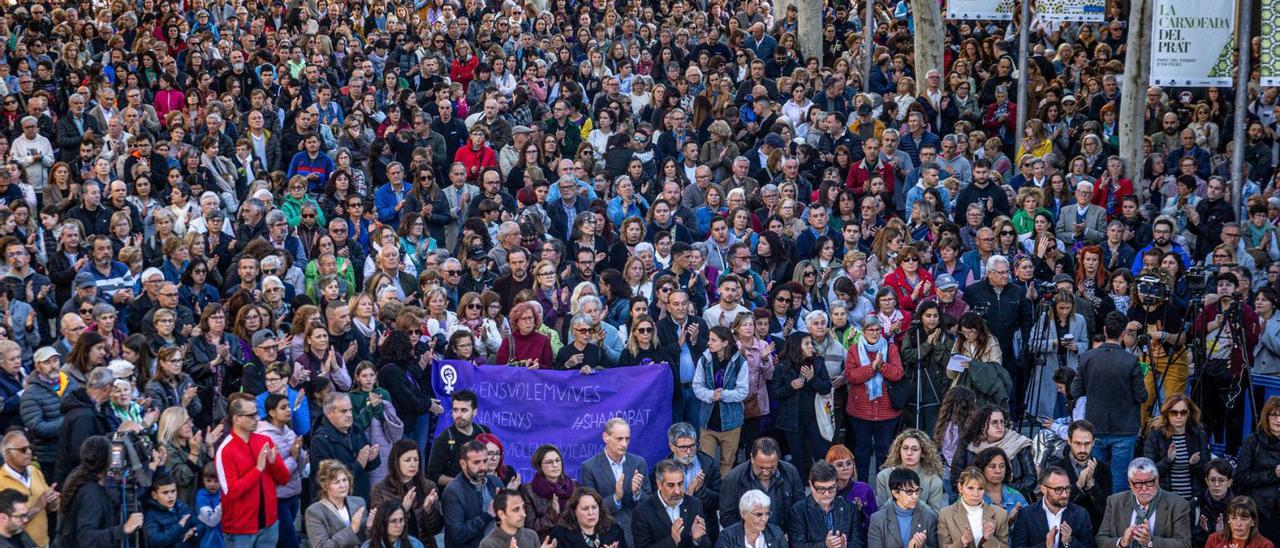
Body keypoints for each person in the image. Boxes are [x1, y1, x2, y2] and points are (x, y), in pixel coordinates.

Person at [214, 396, 291, 548]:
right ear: (236, 419)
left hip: (269, 524)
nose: (257, 418)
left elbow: (284, 479)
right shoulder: (226, 450)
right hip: (240, 529)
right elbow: (231, 492)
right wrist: (257, 470)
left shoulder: (265, 441)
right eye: (251, 415)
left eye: (256, 414)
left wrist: (274, 463)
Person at [54, 436, 145, 548]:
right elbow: (86, 538)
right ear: (108, 460)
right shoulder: (91, 494)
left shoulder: (79, 475)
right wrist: (124, 529)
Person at [845, 316, 904, 481]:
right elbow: (851, 376)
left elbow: (898, 373)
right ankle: (862, 487)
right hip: (860, 411)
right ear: (863, 332)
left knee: (884, 451)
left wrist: (882, 365)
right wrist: (872, 367)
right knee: (861, 450)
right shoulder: (854, 350)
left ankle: (883, 486)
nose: (874, 333)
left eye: (878, 329)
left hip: (886, 412)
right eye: (870, 330)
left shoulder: (890, 349)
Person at [579, 418, 649, 547]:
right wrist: (616, 498)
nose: (624, 444)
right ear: (606, 437)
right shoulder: (589, 467)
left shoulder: (639, 463)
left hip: (637, 533)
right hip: (607, 534)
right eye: (619, 439)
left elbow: (649, 504)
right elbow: (591, 508)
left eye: (627, 439)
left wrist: (637, 494)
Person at [691, 325, 749, 478]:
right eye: (709, 339)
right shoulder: (704, 360)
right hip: (708, 421)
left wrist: (723, 394)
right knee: (705, 462)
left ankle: (723, 495)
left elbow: (743, 391)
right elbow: (697, 386)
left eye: (713, 340)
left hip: (731, 422)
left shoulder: (740, 362)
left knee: (727, 462)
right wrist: (710, 395)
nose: (708, 343)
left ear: (724, 343)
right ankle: (706, 494)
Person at [1096, 458, 1191, 548]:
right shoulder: (1114, 502)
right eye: (1138, 483)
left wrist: (1151, 542)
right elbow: (1101, 540)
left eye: (1149, 482)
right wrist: (1122, 542)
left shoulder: (1179, 505)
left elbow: (1184, 544)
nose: (1144, 488)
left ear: (1157, 480)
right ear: (1130, 483)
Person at [719, 437, 805, 531]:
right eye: (761, 468)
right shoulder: (733, 479)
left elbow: (799, 509)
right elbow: (727, 517)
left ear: (778, 460)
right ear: (752, 458)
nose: (766, 473)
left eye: (772, 467)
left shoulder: (790, 472)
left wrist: (789, 535)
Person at [255, 392, 307, 548]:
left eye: (289, 406)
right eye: (283, 407)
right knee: (290, 542)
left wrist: (301, 455)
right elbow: (275, 471)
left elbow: (299, 462)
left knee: (282, 541)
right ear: (272, 412)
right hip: (278, 498)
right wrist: (294, 456)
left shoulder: (289, 431)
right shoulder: (265, 436)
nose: (289, 410)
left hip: (294, 493)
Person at [950, 406, 1036, 499]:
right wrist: (978, 490)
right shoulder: (968, 444)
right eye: (994, 423)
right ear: (982, 425)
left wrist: (1001, 490)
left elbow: (1031, 480)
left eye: (1002, 422)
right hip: (976, 499)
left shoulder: (1018, 443)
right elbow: (956, 479)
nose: (1000, 426)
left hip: (1014, 499)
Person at [369, 440, 443, 547]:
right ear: (396, 462)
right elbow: (379, 528)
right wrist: (403, 509)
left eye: (416, 460)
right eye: (407, 460)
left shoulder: (428, 486)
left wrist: (428, 510)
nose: (413, 464)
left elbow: (436, 529)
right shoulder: (380, 489)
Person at [1138, 394, 1209, 501]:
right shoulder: (1156, 436)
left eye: (1183, 412)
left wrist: (1196, 464)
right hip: (1165, 500)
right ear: (1167, 414)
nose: (1179, 416)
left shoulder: (1199, 435)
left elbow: (1207, 474)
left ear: (1189, 414)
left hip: (1192, 500)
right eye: (1174, 412)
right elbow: (1148, 474)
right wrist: (1168, 460)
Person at [54, 366, 117, 484]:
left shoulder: (95, 409)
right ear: (107, 388)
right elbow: (82, 454)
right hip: (78, 481)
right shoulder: (84, 417)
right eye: (114, 387)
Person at [1009, 466, 1097, 548]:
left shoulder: (1080, 514)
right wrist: (1046, 546)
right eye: (1058, 489)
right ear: (1043, 489)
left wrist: (1070, 541)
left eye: (1067, 488)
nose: (1065, 494)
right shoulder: (1026, 515)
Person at [632, 459, 712, 548]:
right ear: (659, 484)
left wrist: (696, 540)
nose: (677, 491)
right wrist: (672, 540)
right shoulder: (642, 512)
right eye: (671, 485)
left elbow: (706, 543)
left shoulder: (694, 504)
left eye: (680, 484)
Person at [441, 440, 503, 548]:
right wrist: (488, 515)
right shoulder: (453, 491)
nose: (483, 467)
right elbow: (458, 534)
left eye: (485, 461)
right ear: (463, 464)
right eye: (476, 462)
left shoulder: (495, 482)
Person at [787, 461, 865, 548]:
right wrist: (825, 545)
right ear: (811, 485)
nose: (827, 494)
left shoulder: (850, 509)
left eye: (831, 488)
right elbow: (797, 545)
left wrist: (845, 546)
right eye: (821, 489)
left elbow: (859, 543)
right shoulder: (798, 511)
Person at [1050, 420, 1111, 529]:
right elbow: (1054, 507)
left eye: (1087, 444)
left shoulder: (1103, 469)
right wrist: (1078, 485)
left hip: (1093, 530)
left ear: (1093, 442)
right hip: (1063, 528)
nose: (1082, 449)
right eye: (1077, 443)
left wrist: (1091, 485)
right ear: (1069, 441)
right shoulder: (1057, 469)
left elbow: (1106, 510)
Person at [1235, 396, 1280, 543]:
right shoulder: (1253, 441)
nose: (1278, 420)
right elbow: (1241, 476)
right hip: (1260, 509)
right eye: (1274, 415)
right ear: (1265, 416)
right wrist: (1273, 474)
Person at [425, 390, 490, 487]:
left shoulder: (484, 432)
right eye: (455, 410)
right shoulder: (444, 439)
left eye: (464, 410)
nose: (458, 415)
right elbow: (433, 475)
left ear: (475, 412)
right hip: (455, 495)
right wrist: (463, 483)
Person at [0, 432, 55, 547]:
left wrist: (53, 500)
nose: (29, 452)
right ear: (9, 454)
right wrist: (37, 507)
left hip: (44, 541)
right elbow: (5, 523)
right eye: (23, 450)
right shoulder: (1, 482)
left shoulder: (34, 471)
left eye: (30, 448)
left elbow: (50, 506)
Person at [875, 430, 948, 512]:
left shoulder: (934, 481)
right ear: (899, 450)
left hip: (922, 523)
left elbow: (935, 515)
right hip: (890, 523)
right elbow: (880, 512)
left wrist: (913, 500)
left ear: (923, 453)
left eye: (915, 449)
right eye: (905, 448)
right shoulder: (883, 476)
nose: (909, 453)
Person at [304, 459, 372, 548]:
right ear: (325, 486)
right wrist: (351, 530)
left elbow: (365, 539)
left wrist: (370, 527)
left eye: (345, 480)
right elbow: (321, 546)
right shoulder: (314, 512)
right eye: (337, 482)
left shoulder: (359, 502)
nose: (343, 485)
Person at [937, 466, 1009, 548]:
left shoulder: (1000, 514)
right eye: (971, 488)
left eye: (980, 488)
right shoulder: (946, 514)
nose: (976, 494)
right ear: (960, 487)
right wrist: (961, 541)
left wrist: (989, 540)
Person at [867, 468, 939, 548]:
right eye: (909, 492)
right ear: (895, 493)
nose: (915, 496)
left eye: (917, 491)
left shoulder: (929, 518)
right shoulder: (878, 520)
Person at [549, 487, 628, 548]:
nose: (591, 512)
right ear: (574, 511)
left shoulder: (614, 530)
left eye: (594, 507)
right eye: (585, 509)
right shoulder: (560, 535)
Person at [479, 488, 553, 548]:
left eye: (523, 508)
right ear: (501, 514)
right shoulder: (488, 544)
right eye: (516, 510)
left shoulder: (531, 535)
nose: (523, 514)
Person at [715, 489, 785, 548]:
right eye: (759, 514)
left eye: (767, 514)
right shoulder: (727, 537)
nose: (764, 519)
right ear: (744, 514)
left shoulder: (776, 533)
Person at [143, 473, 199, 548]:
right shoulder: (151, 514)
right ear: (154, 495)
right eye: (165, 492)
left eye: (173, 491)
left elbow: (200, 525)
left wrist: (194, 532)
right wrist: (179, 526)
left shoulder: (181, 505)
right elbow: (155, 541)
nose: (170, 496)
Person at [1193, 459, 1235, 547]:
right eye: (1212, 480)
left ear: (1229, 482)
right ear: (1206, 481)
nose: (1216, 484)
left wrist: (1222, 535)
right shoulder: (1195, 505)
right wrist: (1204, 532)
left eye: (1221, 480)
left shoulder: (1239, 507)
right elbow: (1187, 541)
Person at [1204, 497, 1273, 548]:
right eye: (1233, 518)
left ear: (1253, 521)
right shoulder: (1214, 539)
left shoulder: (1265, 545)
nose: (1238, 524)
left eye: (1244, 519)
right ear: (1228, 519)